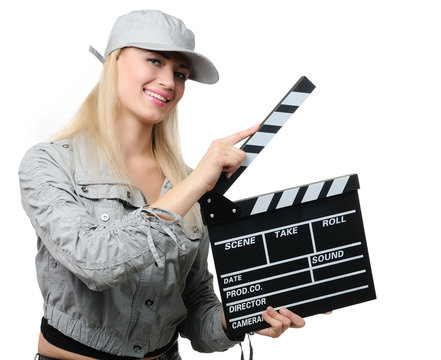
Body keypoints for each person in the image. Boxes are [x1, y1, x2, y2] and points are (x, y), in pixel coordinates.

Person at [19, 10, 305, 360]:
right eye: (154, 61)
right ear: (115, 60)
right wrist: (197, 183)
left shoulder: (187, 182)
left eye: (180, 74)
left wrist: (241, 317)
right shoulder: (49, 163)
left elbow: (196, 310)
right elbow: (95, 263)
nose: (169, 82)